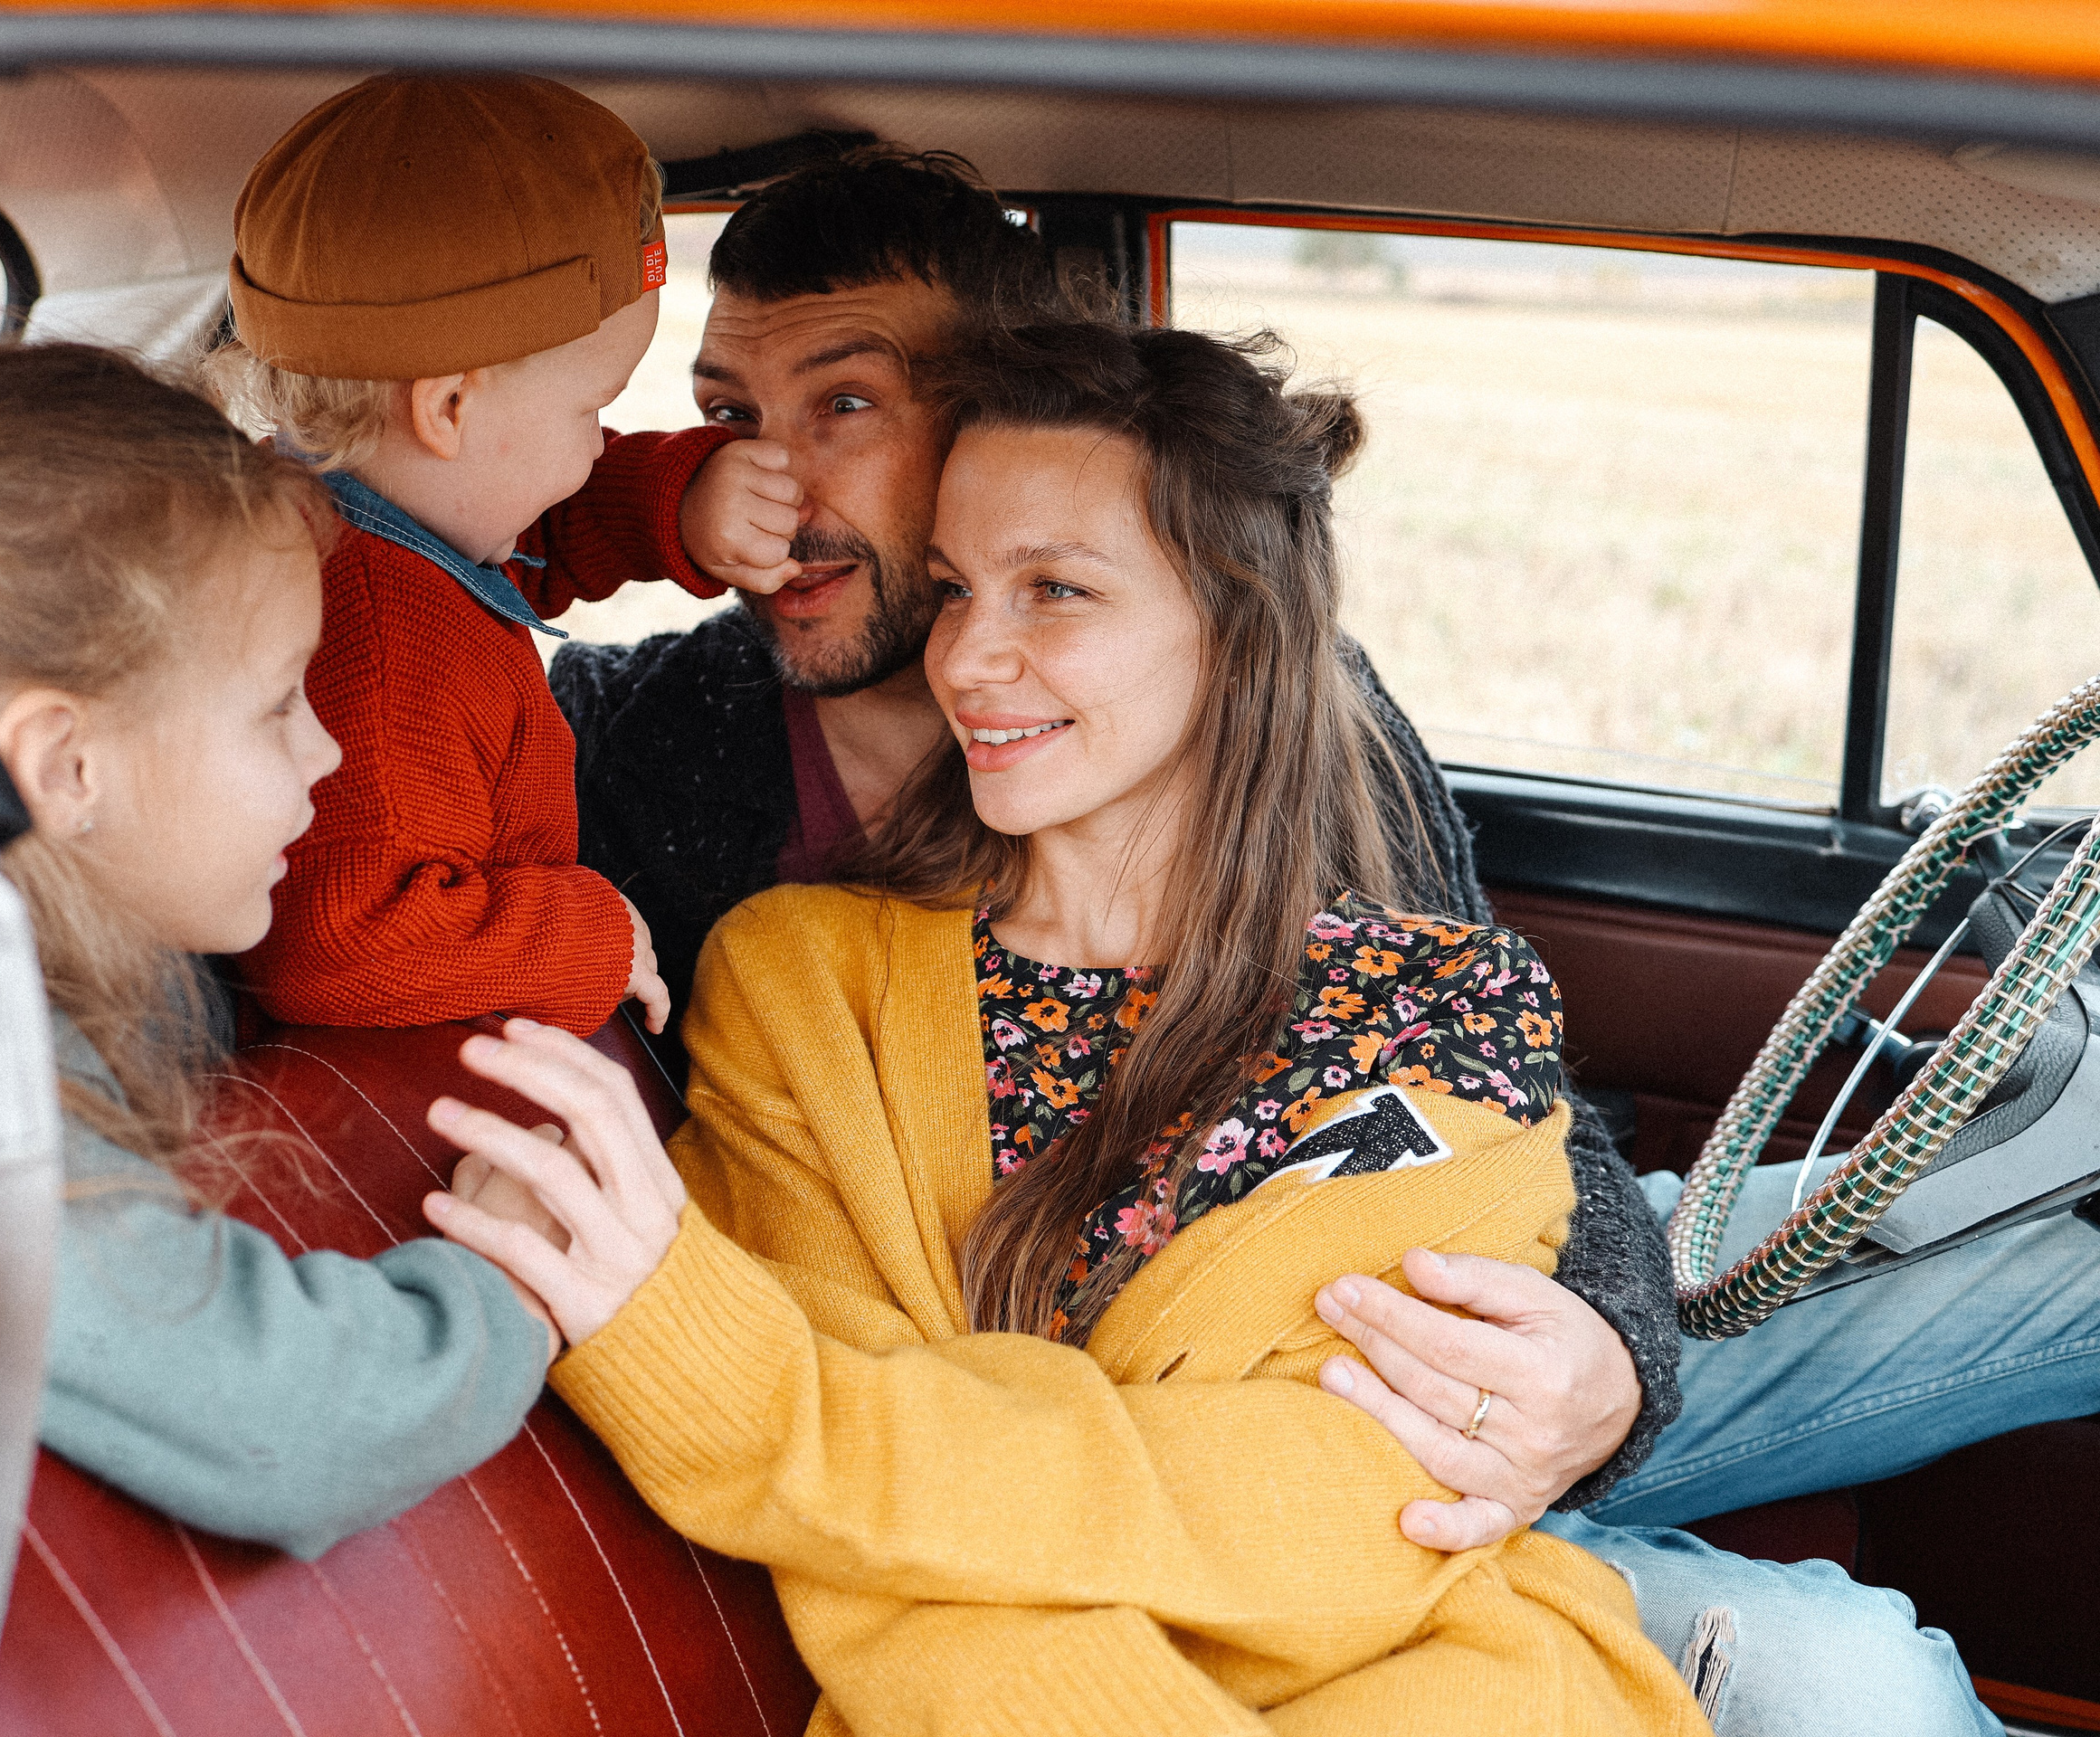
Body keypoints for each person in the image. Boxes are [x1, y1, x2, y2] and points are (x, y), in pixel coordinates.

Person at [555, 149, 2020, 1735]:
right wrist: (626, 519)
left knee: (1967, 1381)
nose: (765, 486)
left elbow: (1473, 1155)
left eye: (841, 407)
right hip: (1002, 1543)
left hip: (1412, 1419)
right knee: (1843, 1672)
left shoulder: (1326, 787)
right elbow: (377, 634)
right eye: (722, 421)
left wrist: (1606, 1353)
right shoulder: (672, 766)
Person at [432, 321, 1709, 1734]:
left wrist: (750, 1396)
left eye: (1056, 590)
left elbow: (1353, 1508)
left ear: (1237, 630)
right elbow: (855, 1554)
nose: (972, 655)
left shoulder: (1438, 1008)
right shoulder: (804, 984)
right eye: (955, 587)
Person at [0, 343, 559, 1559]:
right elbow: (295, 1418)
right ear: (64, 767)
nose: (328, 755)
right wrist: (512, 1289)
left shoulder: (103, 971)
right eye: (279, 705)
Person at [214, 74, 798, 1035]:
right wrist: (595, 932)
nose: (601, 442)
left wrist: (678, 503)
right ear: (449, 408)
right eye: (590, 410)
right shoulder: (384, 641)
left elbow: (520, 540)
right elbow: (344, 942)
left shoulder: (368, 520)